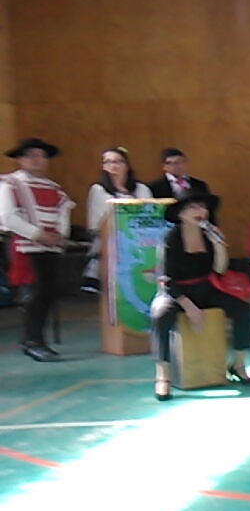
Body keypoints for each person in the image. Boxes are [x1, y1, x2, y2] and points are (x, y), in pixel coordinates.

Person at [149, 191, 250, 400]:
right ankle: (163, 376)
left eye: (202, 207)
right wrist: (189, 307)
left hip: (204, 288)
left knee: (244, 310)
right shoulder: (170, 240)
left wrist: (219, 245)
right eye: (193, 208)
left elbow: (219, 270)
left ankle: (238, 365)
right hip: (175, 292)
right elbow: (167, 279)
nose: (200, 212)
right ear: (181, 214)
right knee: (160, 315)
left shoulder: (208, 236)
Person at [0, 138, 73, 362]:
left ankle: (38, 339)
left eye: (41, 155)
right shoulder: (10, 184)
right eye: (31, 155)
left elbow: (63, 212)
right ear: (20, 159)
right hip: (23, 247)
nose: (37, 160)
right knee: (33, 293)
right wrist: (38, 235)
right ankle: (31, 341)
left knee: (48, 293)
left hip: (50, 248)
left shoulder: (54, 188)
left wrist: (60, 234)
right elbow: (8, 217)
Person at [81, 147, 153, 294]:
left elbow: (150, 215)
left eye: (118, 162)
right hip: (110, 243)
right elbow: (95, 223)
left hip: (139, 242)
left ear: (127, 165)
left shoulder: (142, 189)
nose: (113, 165)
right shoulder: (98, 189)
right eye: (108, 162)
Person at [147, 148, 214, 222]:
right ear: (164, 166)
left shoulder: (199, 185)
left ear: (185, 163)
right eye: (170, 163)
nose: (175, 166)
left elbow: (208, 209)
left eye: (179, 162)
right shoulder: (155, 187)